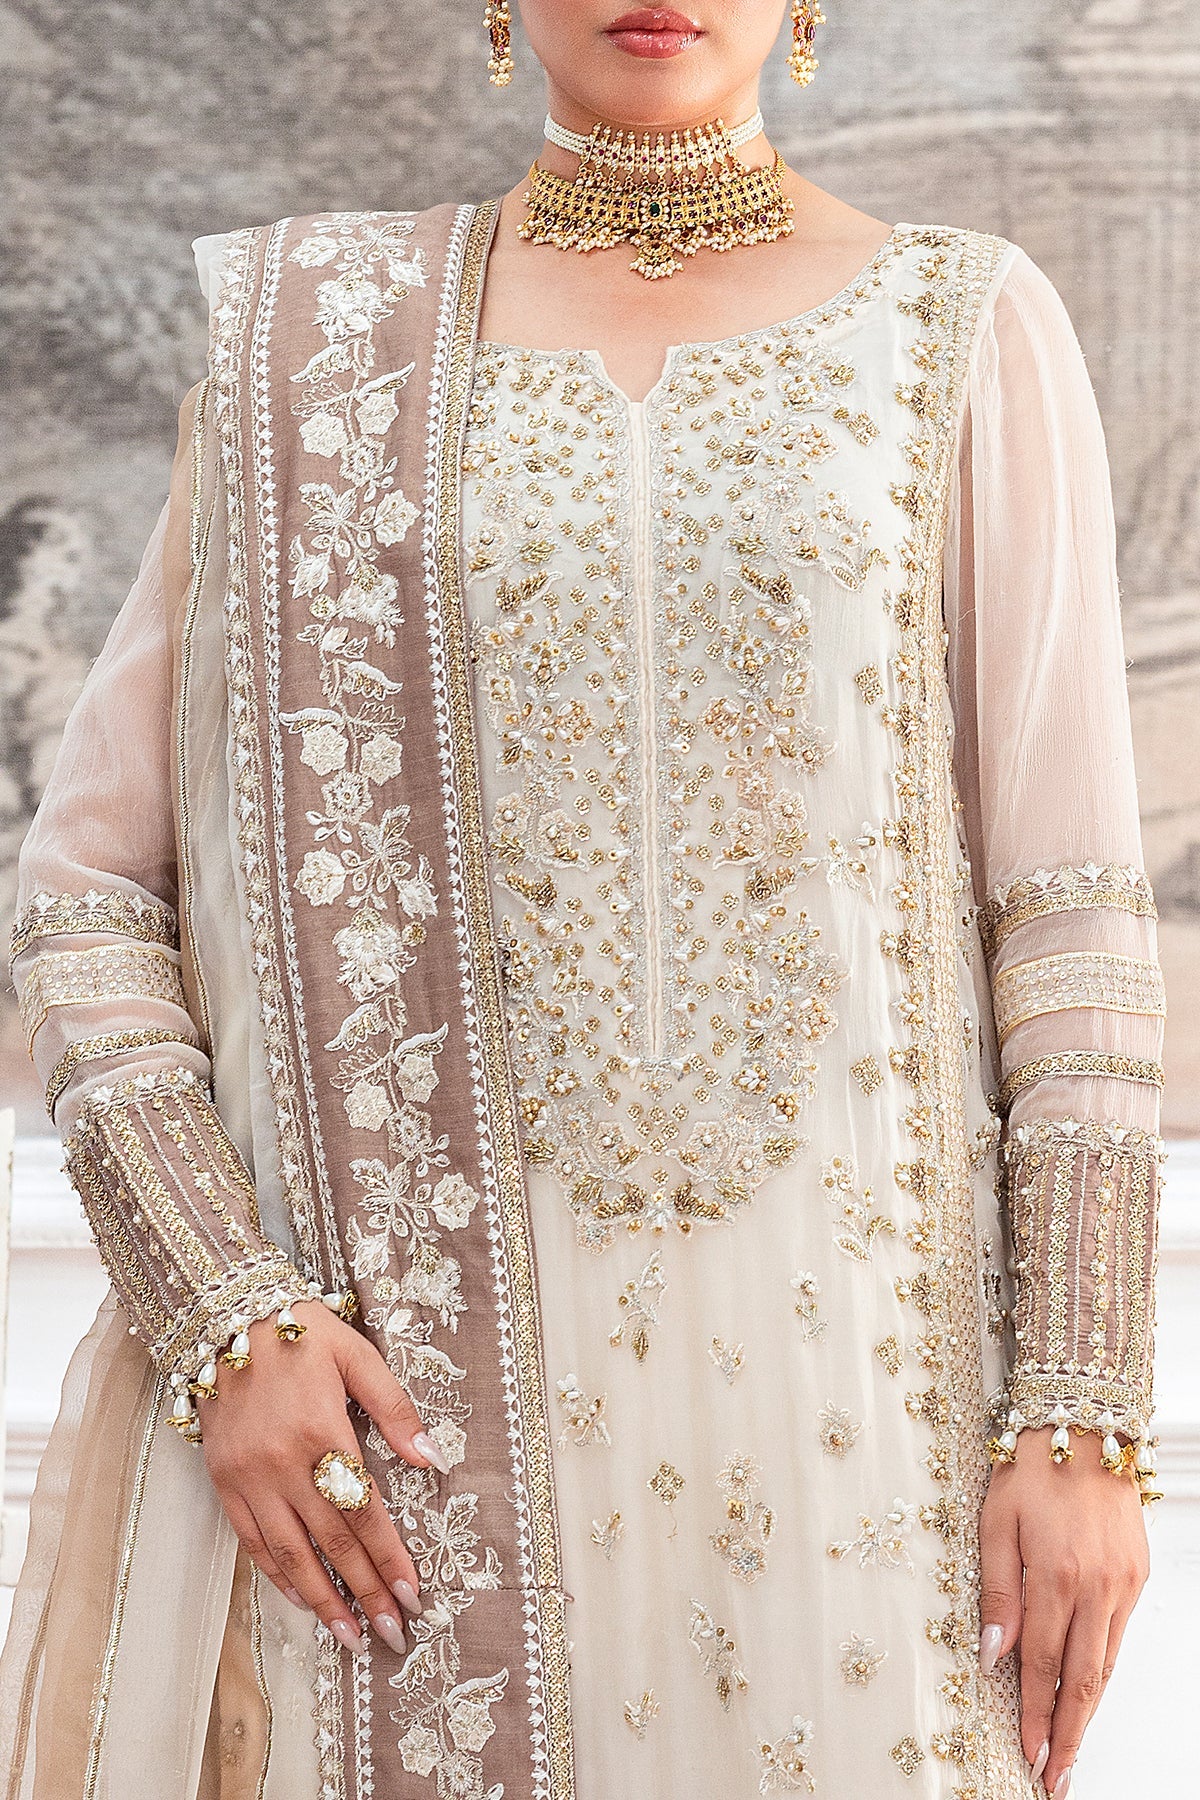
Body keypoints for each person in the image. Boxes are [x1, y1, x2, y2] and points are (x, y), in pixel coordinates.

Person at [0, 4, 1168, 1796]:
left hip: (873, 1445)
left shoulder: (963, 327)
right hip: (398, 1462)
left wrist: (1082, 1412)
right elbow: (87, 893)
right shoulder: (317, 344)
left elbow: (1071, 921)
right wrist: (224, 1317)